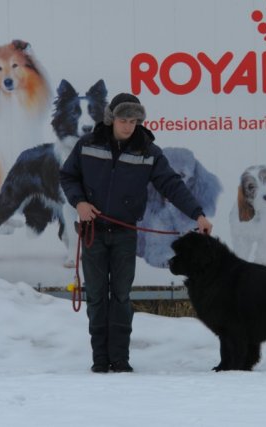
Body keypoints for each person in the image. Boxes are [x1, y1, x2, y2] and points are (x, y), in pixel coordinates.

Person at [60, 93, 213, 373]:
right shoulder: (88, 144)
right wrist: (79, 202)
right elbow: (68, 176)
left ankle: (120, 359)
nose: (129, 126)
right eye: (123, 120)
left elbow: (172, 185)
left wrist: (198, 214)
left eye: (134, 120)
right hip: (92, 232)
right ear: (111, 118)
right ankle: (99, 359)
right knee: (95, 296)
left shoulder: (148, 151)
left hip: (124, 234)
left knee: (120, 295)